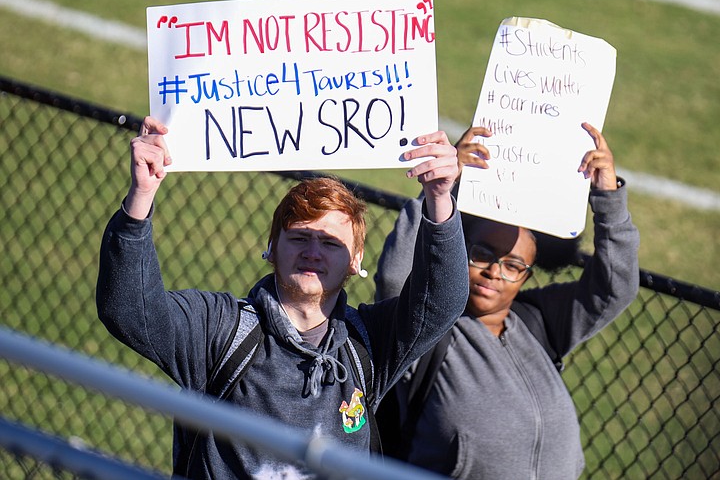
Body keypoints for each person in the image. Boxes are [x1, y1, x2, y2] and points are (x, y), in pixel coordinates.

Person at [96, 116, 469, 478]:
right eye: (299, 237)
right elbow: (130, 311)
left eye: (330, 243)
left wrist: (439, 198)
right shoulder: (221, 329)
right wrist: (141, 196)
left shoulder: (369, 342)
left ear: (356, 261)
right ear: (272, 248)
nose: (313, 252)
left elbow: (441, 301)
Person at [374, 122, 640, 479]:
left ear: (527, 275)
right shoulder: (424, 331)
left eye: (514, 265)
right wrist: (440, 190)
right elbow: (395, 277)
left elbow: (613, 288)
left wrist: (608, 198)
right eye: (481, 254)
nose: (494, 272)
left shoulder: (538, 322)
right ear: (456, 250)